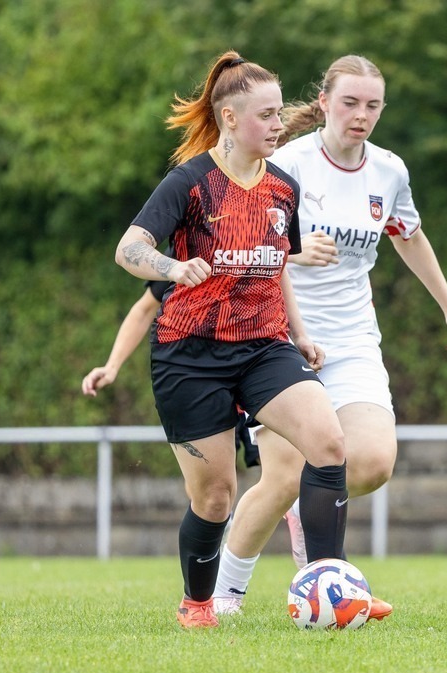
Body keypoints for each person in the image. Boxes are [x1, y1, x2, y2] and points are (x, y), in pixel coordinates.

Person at [212, 55, 447, 619]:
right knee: (284, 478)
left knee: (374, 461)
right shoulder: (287, 164)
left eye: (373, 105)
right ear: (325, 102)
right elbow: (237, 243)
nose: (362, 115)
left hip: (353, 338)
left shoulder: (389, 171)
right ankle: (224, 597)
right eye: (350, 102)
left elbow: (408, 236)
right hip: (276, 336)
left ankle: (315, 545)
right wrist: (293, 251)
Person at [114, 50, 349, 629]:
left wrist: (300, 334)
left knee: (328, 444)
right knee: (215, 497)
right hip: (190, 355)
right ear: (229, 118)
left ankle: (333, 590)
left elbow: (277, 265)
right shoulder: (190, 183)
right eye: (266, 115)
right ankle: (197, 605)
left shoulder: (283, 188)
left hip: (264, 347)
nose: (278, 125)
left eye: (279, 113)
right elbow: (128, 249)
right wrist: (173, 268)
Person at [80, 278, 260, 468]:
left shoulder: (267, 268)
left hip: (255, 377)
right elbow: (144, 310)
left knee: (277, 473)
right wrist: (112, 366)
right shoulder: (186, 262)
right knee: (210, 481)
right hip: (205, 385)